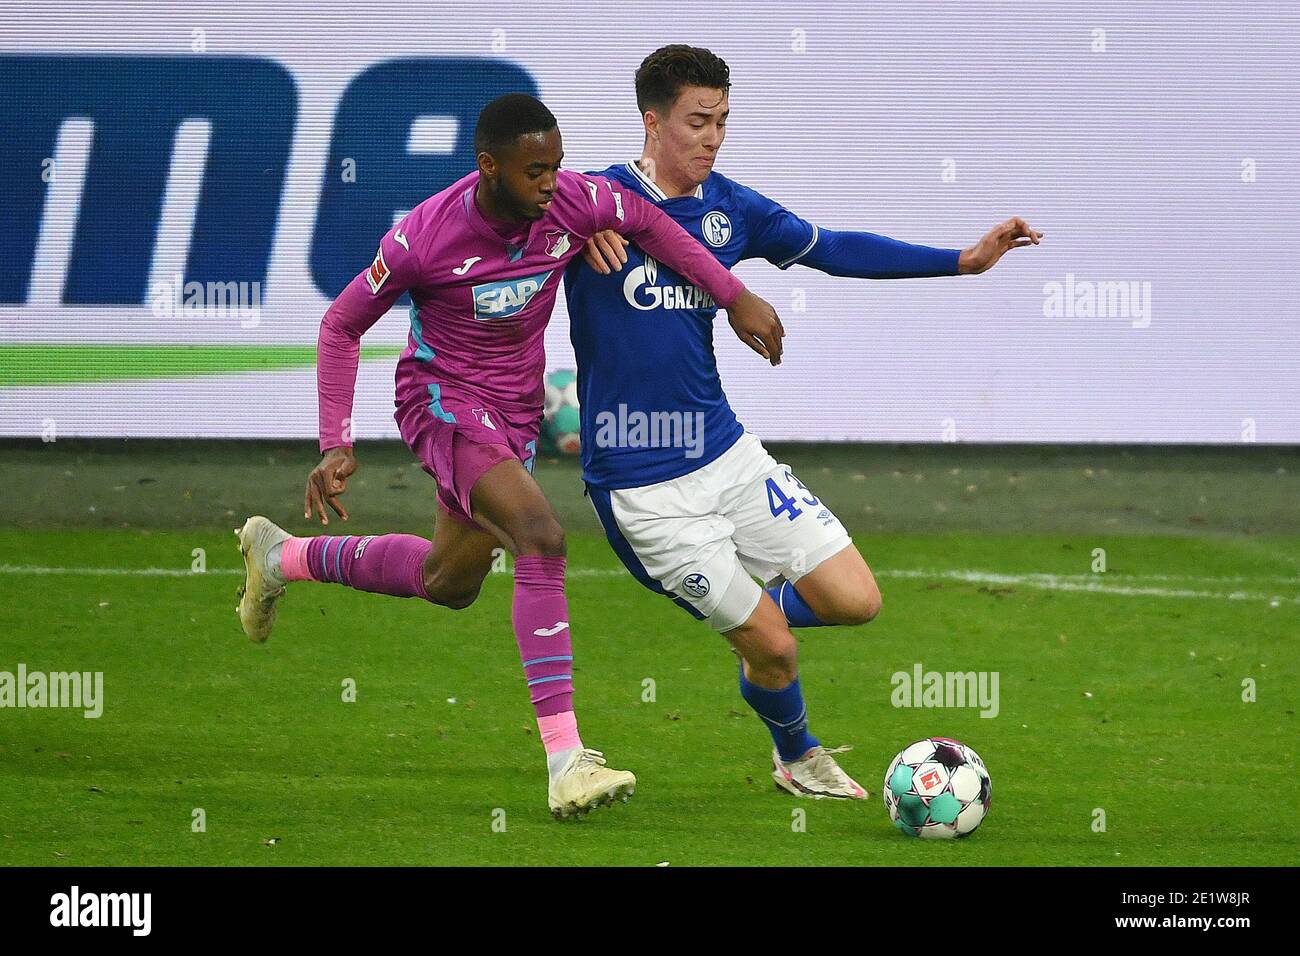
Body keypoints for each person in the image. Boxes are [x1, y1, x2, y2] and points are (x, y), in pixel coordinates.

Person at [234, 92, 785, 819]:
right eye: (533, 172)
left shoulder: (570, 202)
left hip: (514, 415)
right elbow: (340, 327)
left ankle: (280, 559)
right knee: (541, 537)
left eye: (555, 166)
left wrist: (733, 293)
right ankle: (565, 762)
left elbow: (648, 222)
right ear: (488, 167)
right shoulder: (423, 238)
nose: (550, 184)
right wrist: (336, 441)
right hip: (443, 404)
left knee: (449, 581)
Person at [567, 45, 1042, 799]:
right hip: (642, 486)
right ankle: (797, 753)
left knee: (855, 599)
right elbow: (496, 226)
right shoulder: (586, 199)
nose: (713, 138)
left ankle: (756, 628)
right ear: (651, 120)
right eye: (698, 121)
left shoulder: (729, 208)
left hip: (725, 454)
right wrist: (572, 227)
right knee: (777, 649)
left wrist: (962, 260)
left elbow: (833, 249)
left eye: (723, 121)